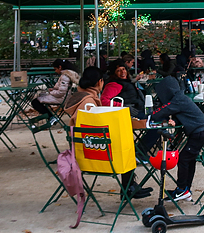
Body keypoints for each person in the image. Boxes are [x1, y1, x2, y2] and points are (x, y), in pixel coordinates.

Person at [65, 66, 152, 200]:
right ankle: (129, 188)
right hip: (92, 153)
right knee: (126, 147)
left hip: (84, 148)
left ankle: (130, 186)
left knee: (124, 145)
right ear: (100, 82)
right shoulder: (88, 103)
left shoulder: (80, 97)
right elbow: (96, 129)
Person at [152, 76, 204, 202]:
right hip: (200, 131)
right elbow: (185, 113)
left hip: (198, 132)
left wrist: (150, 116)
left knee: (183, 159)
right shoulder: (180, 98)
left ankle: (182, 188)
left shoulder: (178, 100)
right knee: (190, 160)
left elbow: (164, 111)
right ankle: (186, 188)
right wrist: (176, 120)